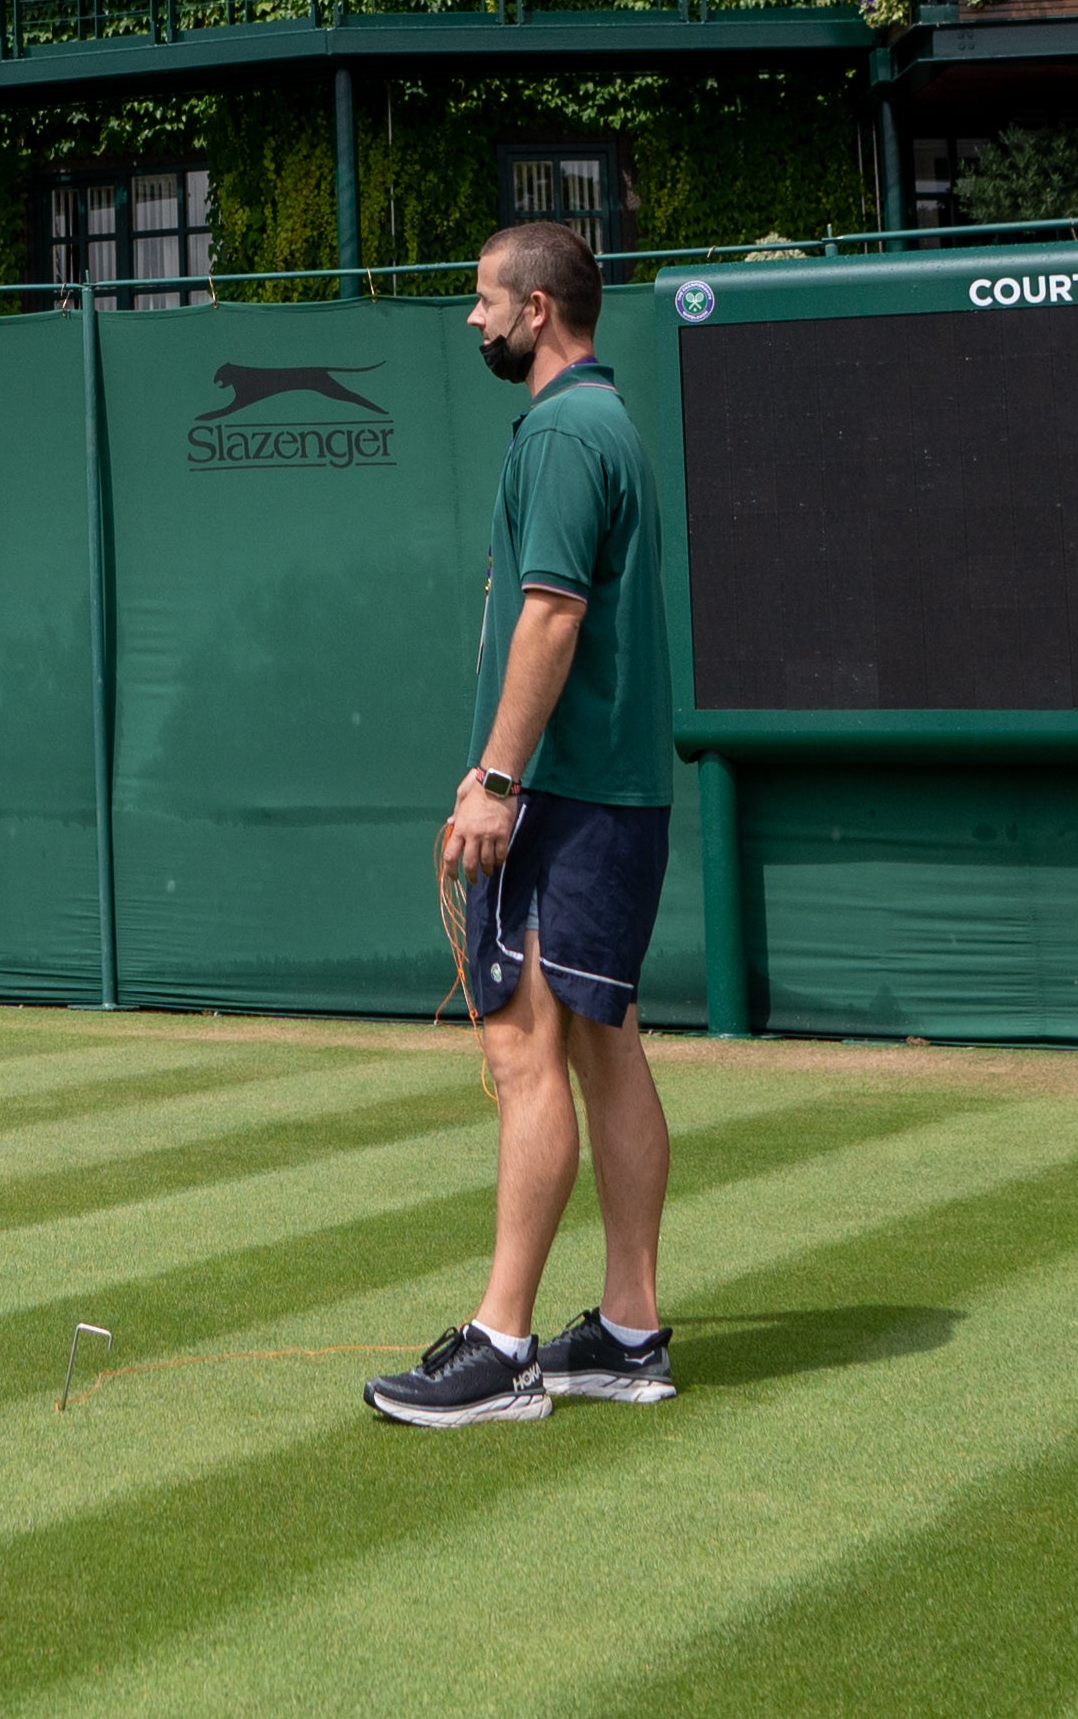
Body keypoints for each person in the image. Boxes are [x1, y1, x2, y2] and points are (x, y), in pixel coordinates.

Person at [366, 216, 676, 1428]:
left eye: (486, 297)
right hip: (611, 788)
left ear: (538, 308)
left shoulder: (561, 431)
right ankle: (628, 1332)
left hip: (566, 791)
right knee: (605, 1050)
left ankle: (503, 1348)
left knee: (524, 1051)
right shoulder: (604, 422)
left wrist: (494, 780)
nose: (473, 315)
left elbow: (550, 616)